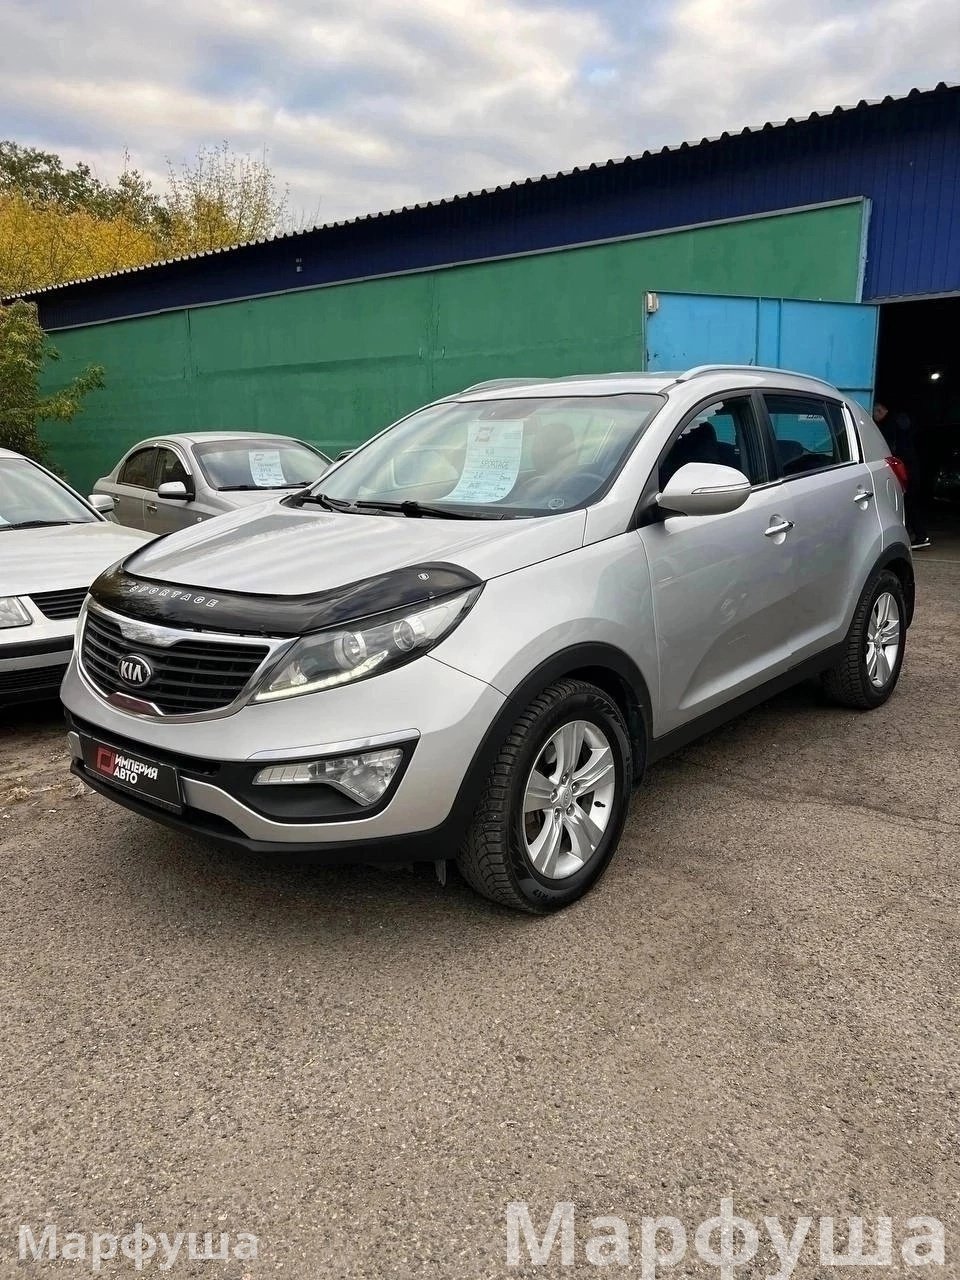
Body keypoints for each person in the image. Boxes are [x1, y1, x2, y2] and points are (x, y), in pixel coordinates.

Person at [873, 401, 930, 549]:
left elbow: (891, 450)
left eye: (874, 413)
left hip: (905, 470)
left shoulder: (889, 427)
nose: (873, 417)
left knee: (908, 503)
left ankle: (920, 536)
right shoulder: (901, 424)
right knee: (911, 503)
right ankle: (917, 534)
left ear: (880, 411)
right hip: (912, 468)